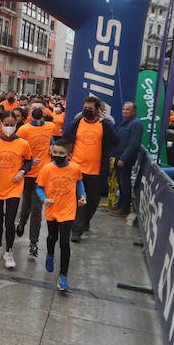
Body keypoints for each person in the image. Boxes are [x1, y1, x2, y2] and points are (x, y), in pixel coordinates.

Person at [0, 110, 33, 270]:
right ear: (0, 124)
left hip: (14, 186)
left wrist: (22, 171)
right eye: (6, 125)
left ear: (16, 125)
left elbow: (29, 162)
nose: (9, 128)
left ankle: (9, 251)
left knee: (10, 221)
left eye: (12, 125)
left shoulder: (23, 143)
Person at [60, 95, 117, 242]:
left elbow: (115, 141)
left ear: (98, 110)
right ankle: (76, 230)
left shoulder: (104, 125)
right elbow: (66, 137)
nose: (87, 111)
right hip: (77, 168)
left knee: (93, 200)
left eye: (90, 109)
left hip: (95, 170)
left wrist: (107, 124)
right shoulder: (78, 122)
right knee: (80, 199)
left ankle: (85, 221)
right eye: (85, 108)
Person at [37, 140, 88, 292]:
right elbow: (39, 188)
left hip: (68, 209)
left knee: (64, 242)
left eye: (61, 154)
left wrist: (83, 196)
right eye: (55, 153)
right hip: (52, 208)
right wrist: (44, 199)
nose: (58, 156)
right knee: (52, 237)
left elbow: (79, 184)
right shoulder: (46, 169)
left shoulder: (74, 169)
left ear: (69, 155)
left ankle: (63, 276)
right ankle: (50, 253)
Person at [14, 100, 55, 257]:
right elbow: (18, 149)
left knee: (37, 208)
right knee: (26, 203)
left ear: (44, 111)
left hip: (43, 174)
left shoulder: (50, 127)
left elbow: (50, 140)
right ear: (30, 111)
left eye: (40, 108)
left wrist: (51, 148)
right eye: (34, 108)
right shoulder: (24, 129)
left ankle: (33, 243)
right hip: (28, 173)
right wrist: (29, 159)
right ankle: (22, 222)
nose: (37, 110)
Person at [111, 101, 143, 219]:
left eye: (127, 109)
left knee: (125, 184)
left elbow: (133, 144)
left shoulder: (136, 124)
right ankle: (120, 205)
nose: (124, 111)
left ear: (134, 111)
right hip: (119, 158)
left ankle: (124, 209)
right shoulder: (125, 123)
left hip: (125, 160)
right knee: (120, 182)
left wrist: (124, 158)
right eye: (124, 109)